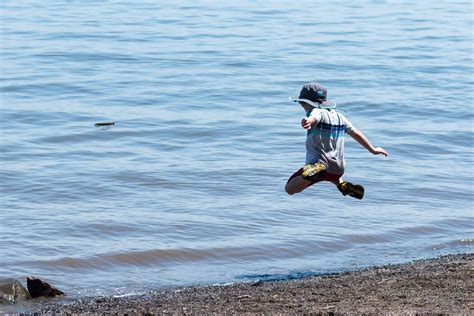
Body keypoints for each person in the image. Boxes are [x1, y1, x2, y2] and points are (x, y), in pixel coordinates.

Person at [285, 83, 388, 199]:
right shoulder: (340, 117)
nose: (302, 106)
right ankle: (343, 186)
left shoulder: (316, 111)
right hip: (338, 168)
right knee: (334, 177)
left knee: (290, 188)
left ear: (308, 103)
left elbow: (314, 117)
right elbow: (356, 133)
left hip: (319, 163)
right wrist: (373, 150)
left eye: (301, 103)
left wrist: (309, 121)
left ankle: (309, 175)